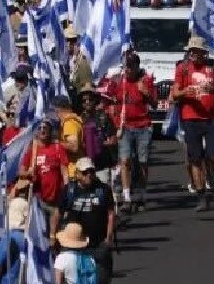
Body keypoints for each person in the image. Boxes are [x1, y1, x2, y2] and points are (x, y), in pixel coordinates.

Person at [172, 38, 214, 210]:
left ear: (203, 52)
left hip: (212, 118)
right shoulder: (182, 68)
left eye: (197, 51)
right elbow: (175, 93)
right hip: (191, 118)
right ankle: (201, 196)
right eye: (191, 51)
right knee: (195, 159)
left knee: (213, 157)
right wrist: (185, 92)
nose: (193, 55)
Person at [105, 51, 155, 210]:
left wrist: (145, 92)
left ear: (137, 67)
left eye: (131, 67)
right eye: (126, 66)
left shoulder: (146, 80)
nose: (128, 70)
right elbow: (109, 98)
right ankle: (126, 197)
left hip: (143, 126)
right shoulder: (120, 81)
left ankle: (141, 194)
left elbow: (154, 103)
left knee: (142, 161)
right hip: (125, 126)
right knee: (125, 160)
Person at [54, 159, 116, 281]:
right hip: (73, 246)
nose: (89, 175)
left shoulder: (103, 189)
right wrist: (53, 236)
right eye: (85, 172)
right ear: (77, 174)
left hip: (97, 244)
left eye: (91, 171)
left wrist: (109, 238)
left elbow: (111, 214)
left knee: (101, 279)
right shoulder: (69, 190)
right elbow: (57, 213)